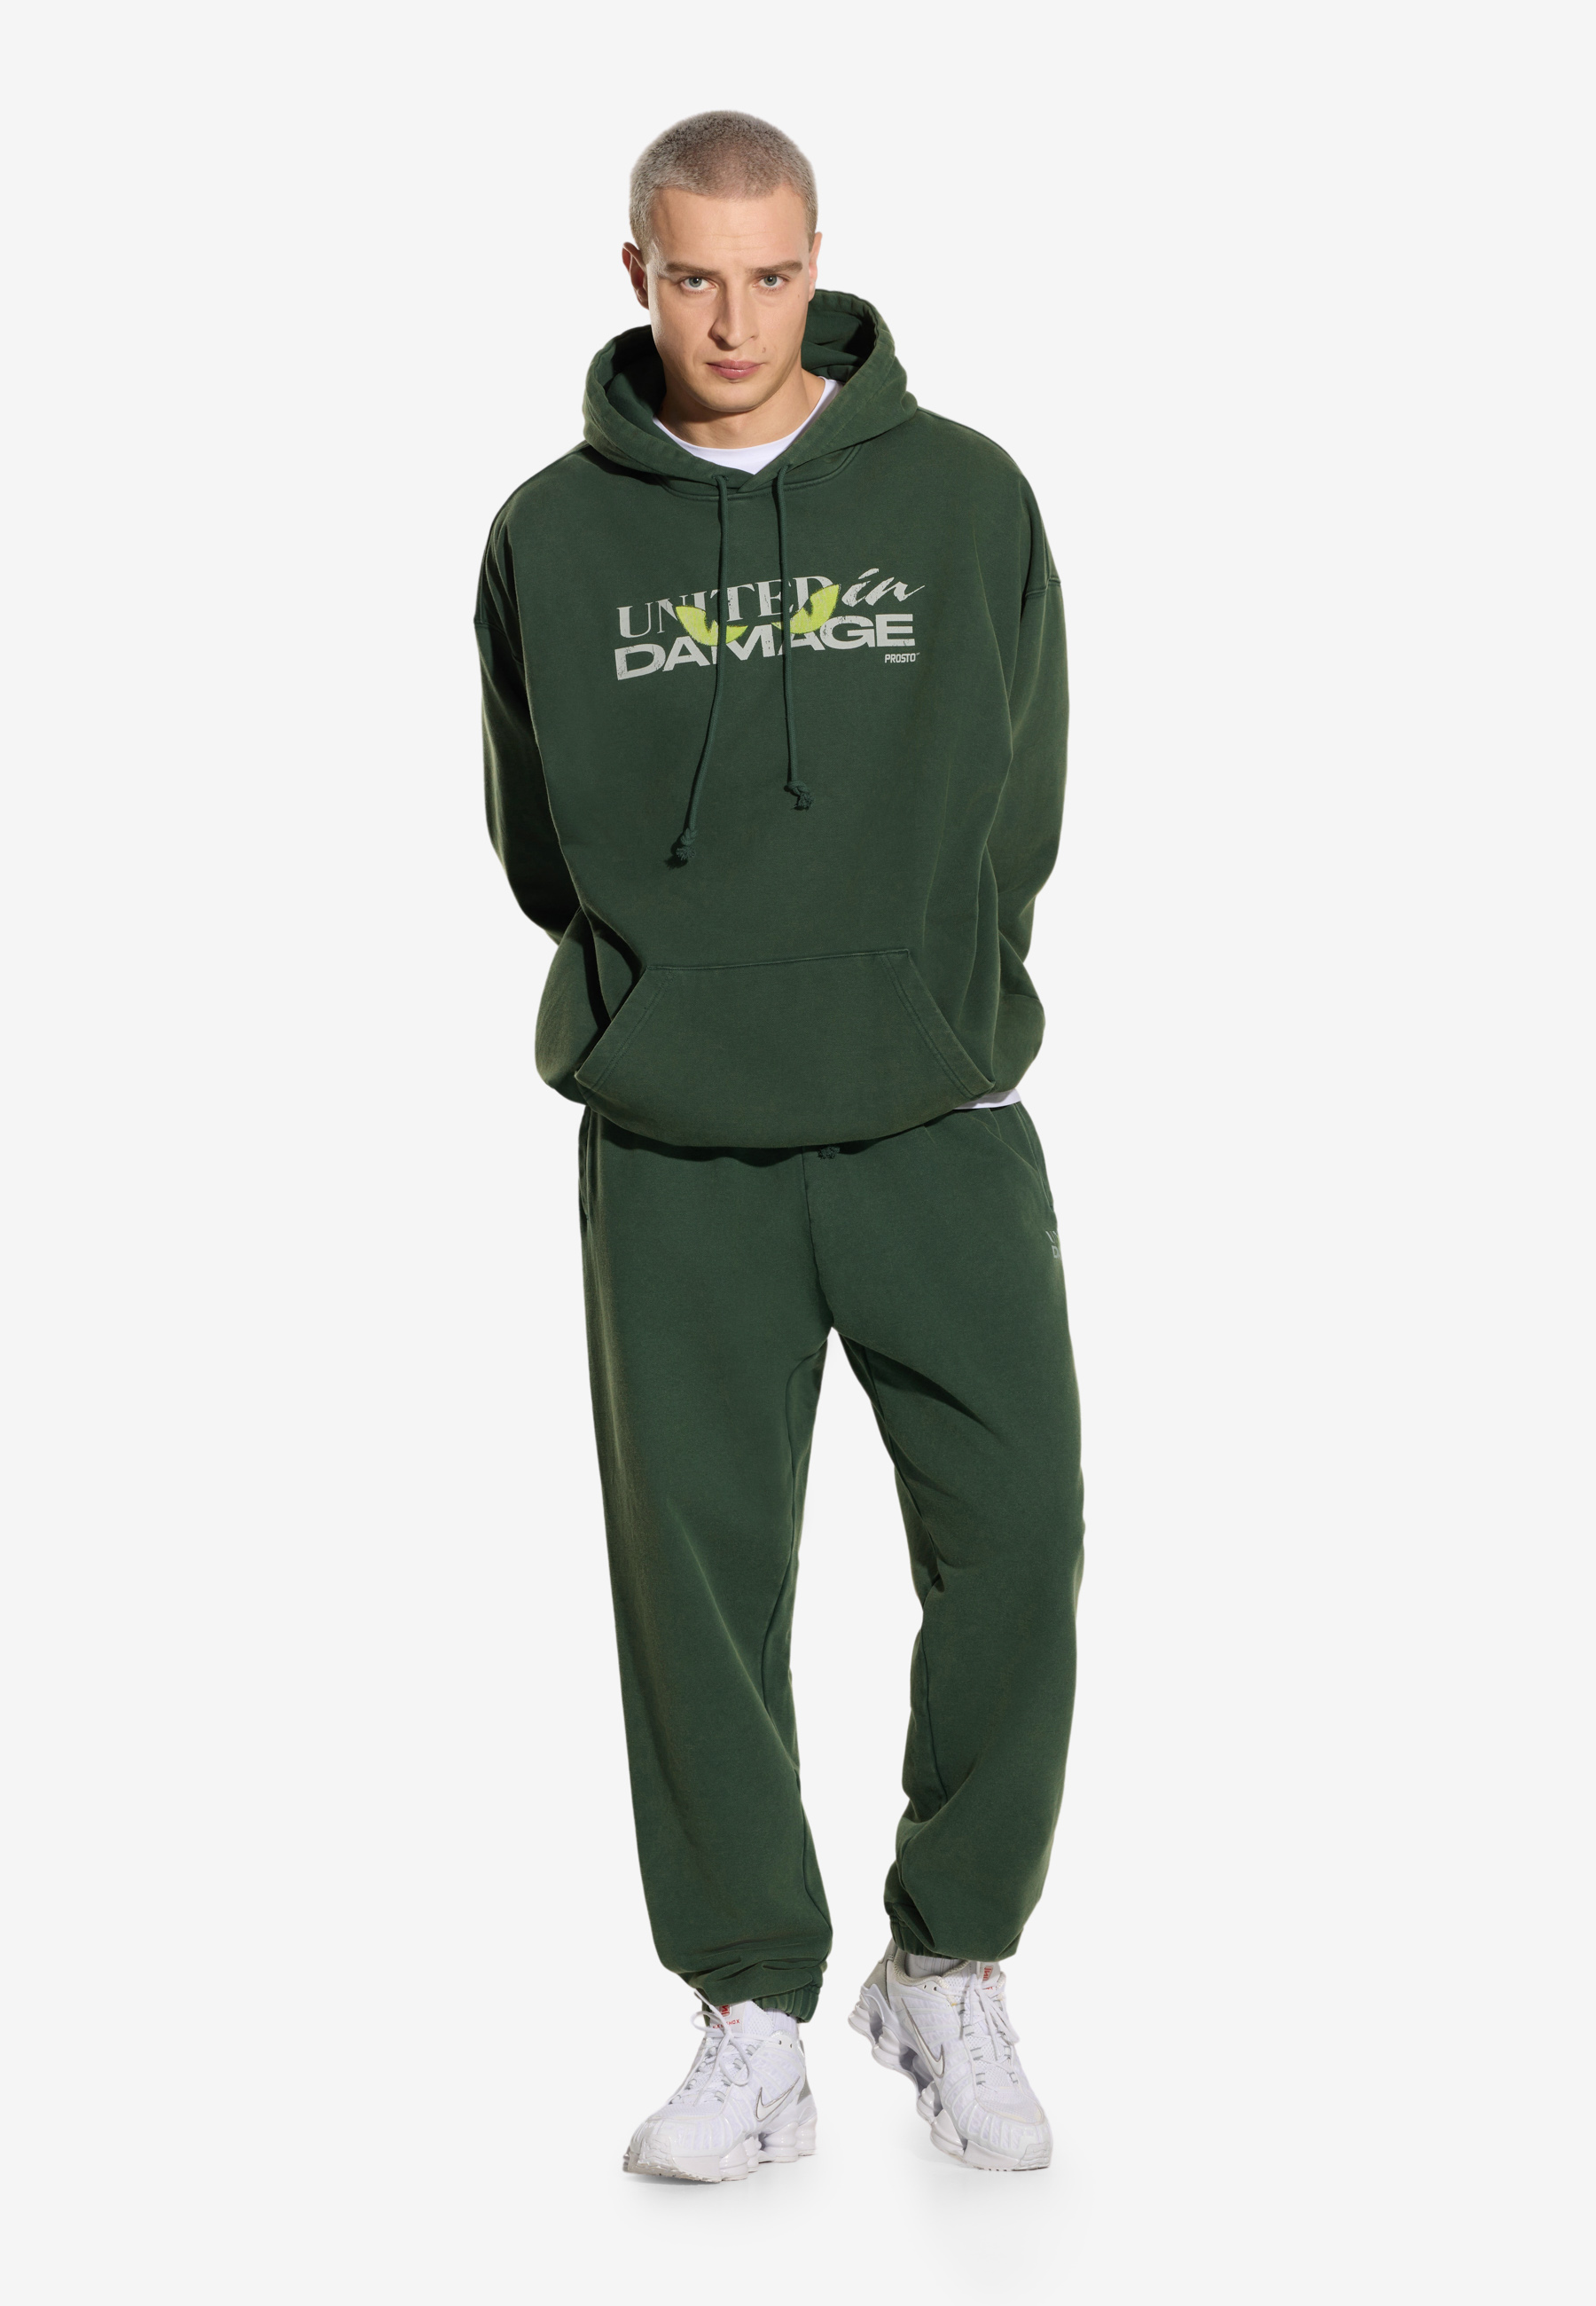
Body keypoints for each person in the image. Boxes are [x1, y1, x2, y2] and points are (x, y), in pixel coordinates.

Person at [475, 110, 1084, 2180]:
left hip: (931, 1119)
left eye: (770, 274)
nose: (734, 320)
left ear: (817, 262)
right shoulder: (553, 536)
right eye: (692, 278)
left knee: (1020, 1538)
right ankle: (750, 2009)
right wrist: (677, 1001)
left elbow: (1019, 793)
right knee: (696, 1586)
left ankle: (950, 1960)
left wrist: (927, 993)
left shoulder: (964, 496)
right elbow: (537, 835)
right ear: (635, 273)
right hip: (677, 1144)